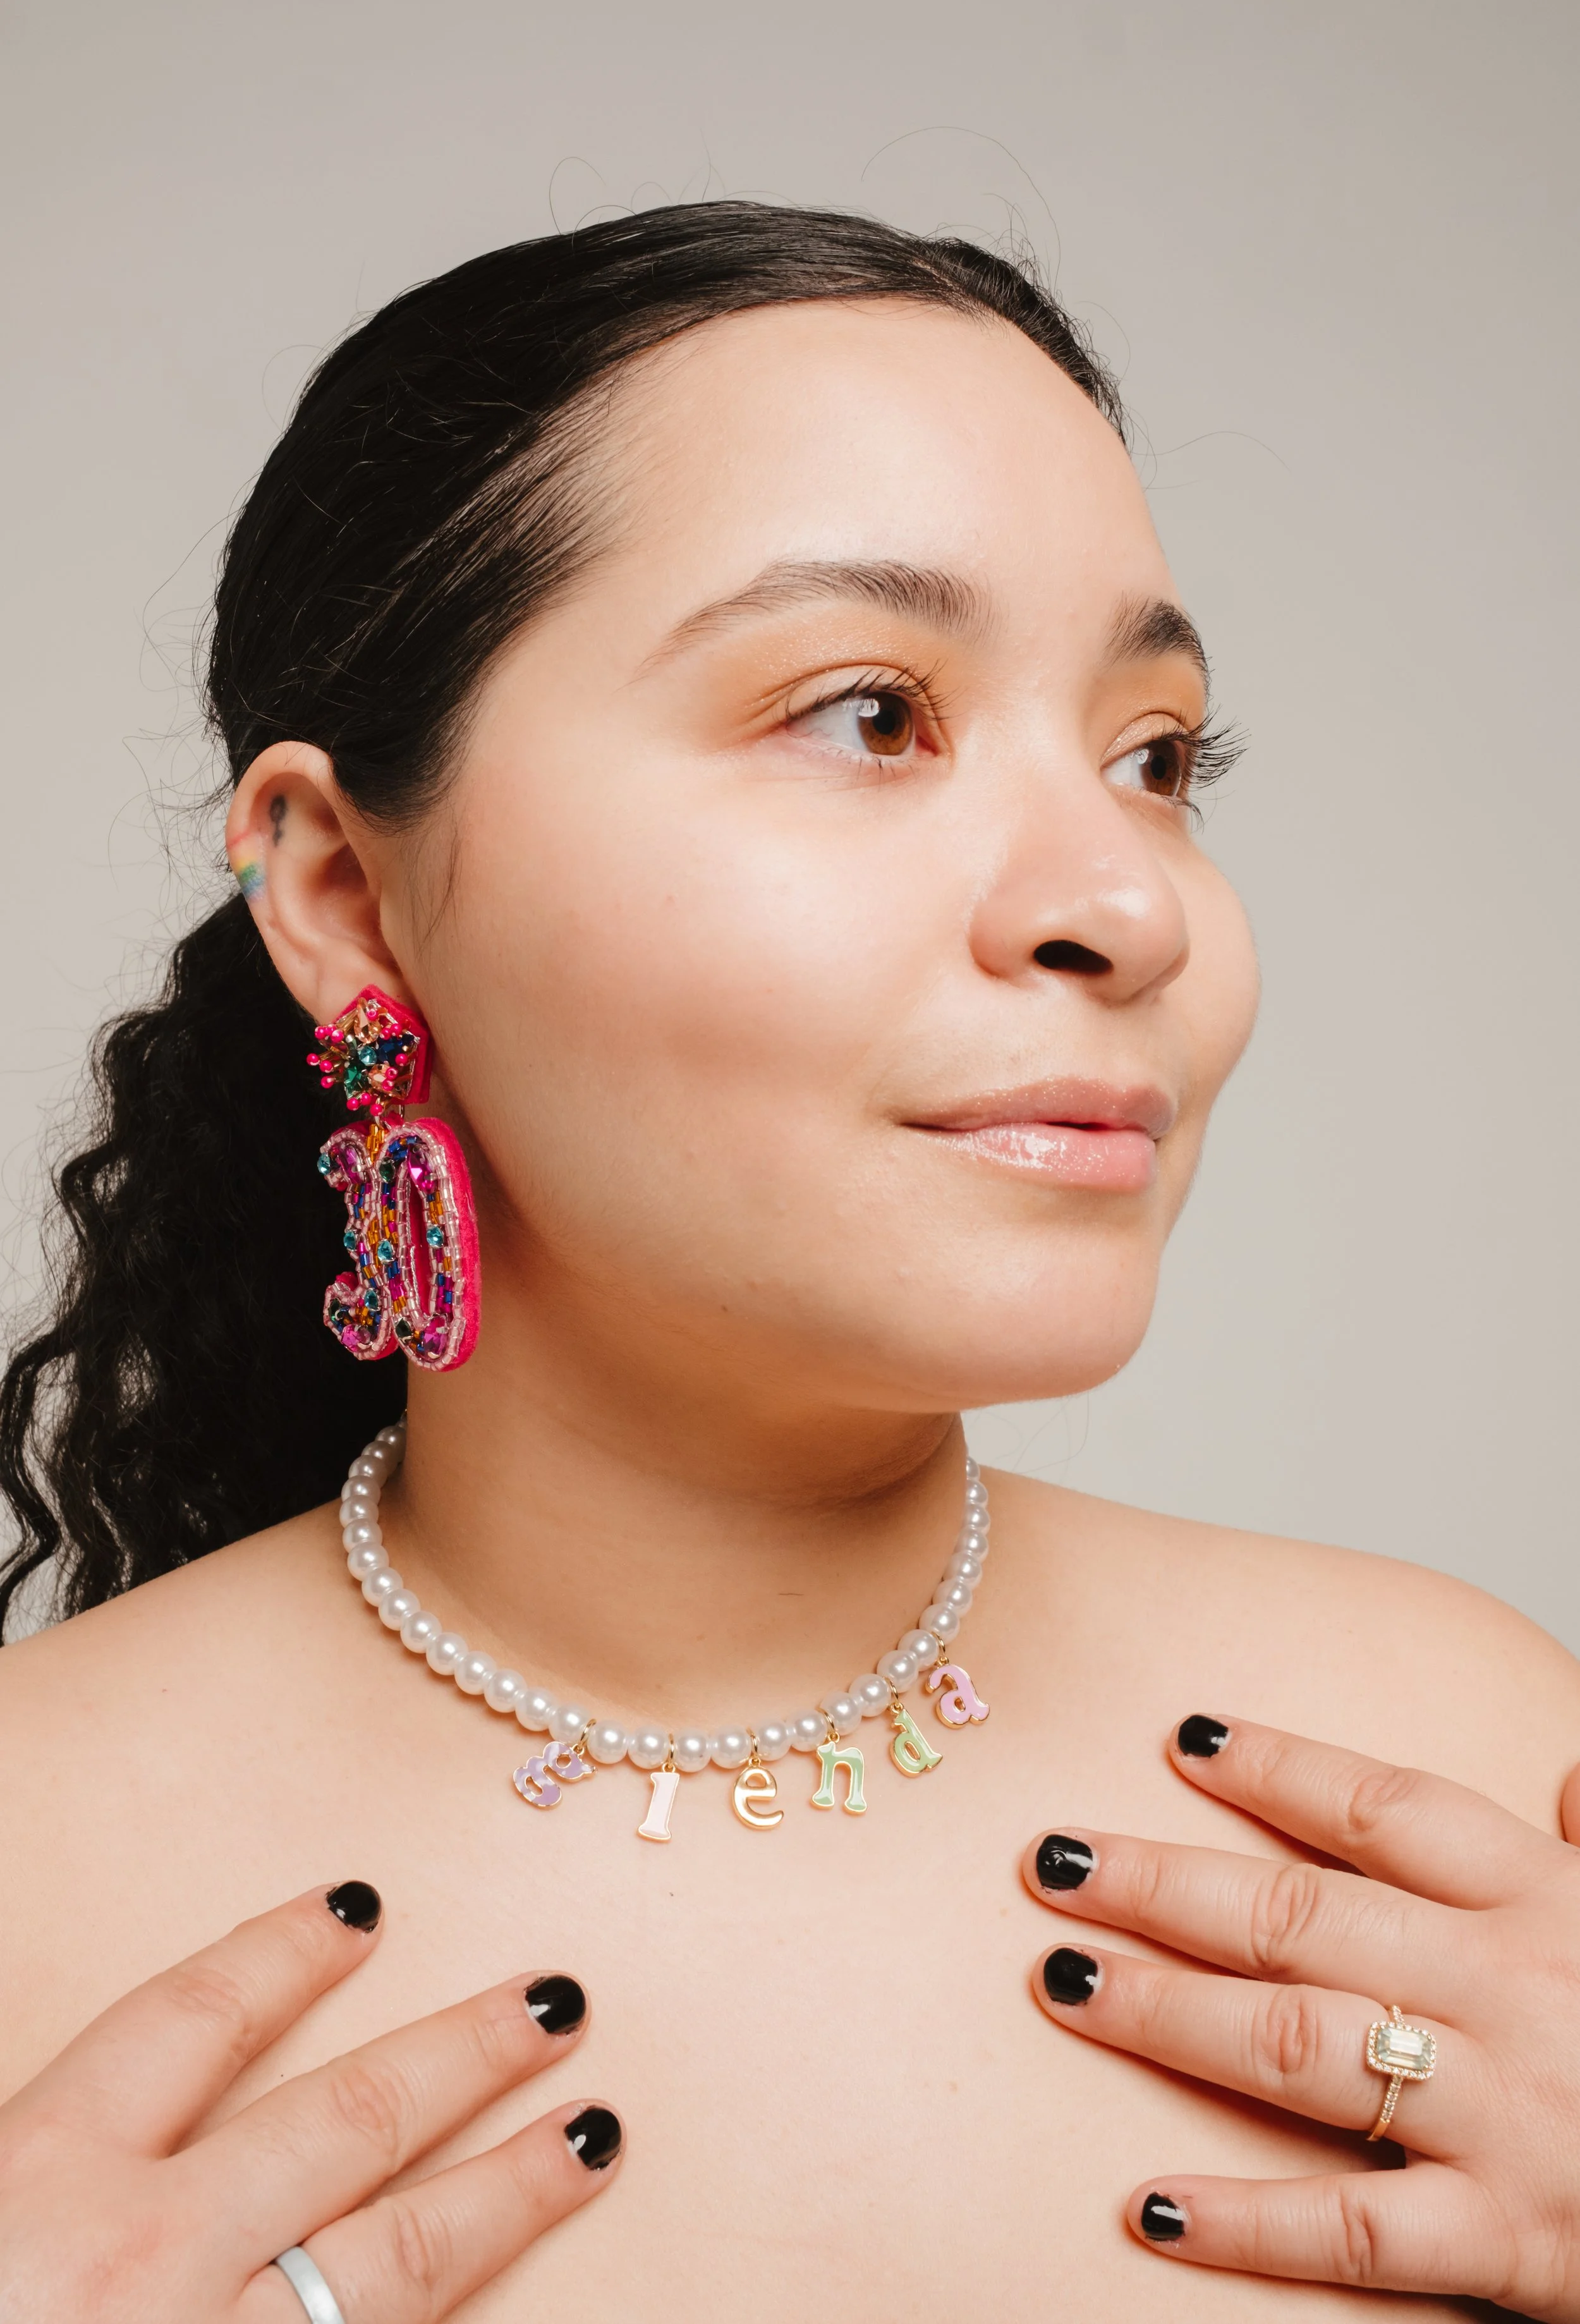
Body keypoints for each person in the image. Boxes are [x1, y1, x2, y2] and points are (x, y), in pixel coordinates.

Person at [1, 201, 1577, 2322]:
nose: (1126, 901)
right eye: (865, 712)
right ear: (349, 896)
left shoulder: (1462, 1788)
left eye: (1155, 756)